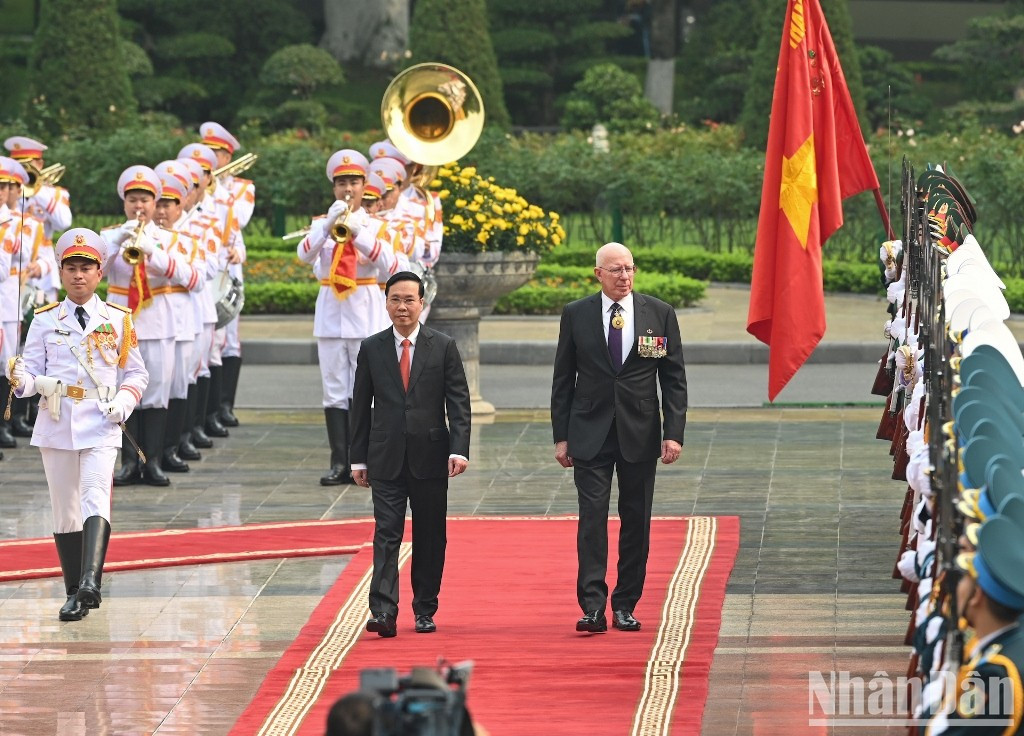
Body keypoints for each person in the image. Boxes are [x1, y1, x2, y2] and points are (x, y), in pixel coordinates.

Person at [5, 228, 148, 621]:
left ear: (100, 272)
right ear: (61, 271)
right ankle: (73, 592)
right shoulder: (45, 320)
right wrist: (19, 380)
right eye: (71, 268)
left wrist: (124, 401)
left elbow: (137, 375)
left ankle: (90, 583)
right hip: (56, 421)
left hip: (102, 422)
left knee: (95, 495)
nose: (79, 275)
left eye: (86, 267)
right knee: (65, 510)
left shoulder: (118, 319)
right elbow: (31, 376)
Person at [550, 242, 687, 633]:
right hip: (589, 432)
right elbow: (563, 380)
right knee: (592, 520)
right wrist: (562, 437)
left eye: (629, 269)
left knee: (636, 520)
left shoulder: (658, 314)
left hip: (640, 433)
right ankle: (592, 606)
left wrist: (673, 433)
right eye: (615, 270)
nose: (624, 276)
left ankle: (625, 603)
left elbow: (674, 380)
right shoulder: (576, 315)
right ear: (598, 274)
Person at [350, 271, 471, 637]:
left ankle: (424, 609)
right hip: (385, 457)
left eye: (409, 300)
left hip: (431, 457)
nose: (402, 307)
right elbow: (359, 406)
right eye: (395, 300)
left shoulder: (443, 345)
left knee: (431, 535)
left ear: (422, 304)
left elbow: (459, 403)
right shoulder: (371, 348)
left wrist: (459, 450)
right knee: (386, 533)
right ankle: (383, 611)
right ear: (386, 304)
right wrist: (358, 458)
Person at [297, 149, 400, 487]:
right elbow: (303, 255)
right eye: (342, 182)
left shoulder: (377, 225)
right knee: (334, 391)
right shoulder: (321, 224)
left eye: (354, 182)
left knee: (367, 391)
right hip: (330, 314)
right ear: (334, 187)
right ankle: (339, 461)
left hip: (365, 313)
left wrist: (357, 231)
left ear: (363, 185)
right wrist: (329, 225)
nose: (348, 189)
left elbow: (392, 265)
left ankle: (366, 459)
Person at [101, 165, 199, 486]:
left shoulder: (168, 239)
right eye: (133, 200)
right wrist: (116, 242)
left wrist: (152, 252)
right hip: (120, 322)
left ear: (155, 202)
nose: (139, 206)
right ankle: (129, 462)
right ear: (124, 203)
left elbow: (192, 278)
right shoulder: (107, 236)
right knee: (123, 392)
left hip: (157, 323)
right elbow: (93, 274)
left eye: (145, 199)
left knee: (156, 393)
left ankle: (152, 461)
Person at [198, 122, 253, 429]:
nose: (209, 157)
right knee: (209, 341)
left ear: (227, 155)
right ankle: (207, 412)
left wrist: (218, 186)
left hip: (227, 269)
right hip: (205, 266)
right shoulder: (195, 185)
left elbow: (238, 222)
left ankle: (224, 405)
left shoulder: (241, 188)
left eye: (215, 153)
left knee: (229, 338)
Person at [0, 156, 54, 448]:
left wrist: (38, 268)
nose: (4, 191)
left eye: (8, 186)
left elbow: (47, 257)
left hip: (9, 298)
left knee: (9, 364)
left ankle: (6, 421)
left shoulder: (27, 224)